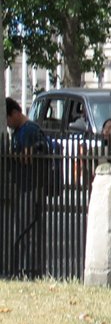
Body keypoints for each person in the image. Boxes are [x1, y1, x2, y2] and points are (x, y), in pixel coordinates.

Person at [5, 98, 47, 274]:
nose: (6, 123)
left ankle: (31, 267)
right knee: (24, 228)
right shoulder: (20, 131)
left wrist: (12, 156)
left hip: (31, 185)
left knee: (29, 229)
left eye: (7, 118)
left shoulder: (28, 130)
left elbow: (28, 158)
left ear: (15, 113)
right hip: (24, 186)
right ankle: (25, 265)